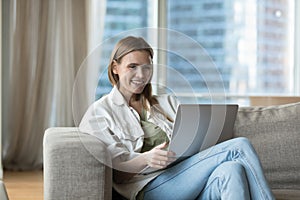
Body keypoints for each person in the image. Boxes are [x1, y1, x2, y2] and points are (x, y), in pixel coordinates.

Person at [79, 36, 275, 200]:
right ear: (115, 68)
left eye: (146, 67)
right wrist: (146, 159)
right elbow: (117, 172)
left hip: (186, 176)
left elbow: (190, 143)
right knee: (239, 146)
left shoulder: (166, 102)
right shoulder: (99, 113)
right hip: (148, 186)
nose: (141, 74)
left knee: (232, 170)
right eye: (132, 66)